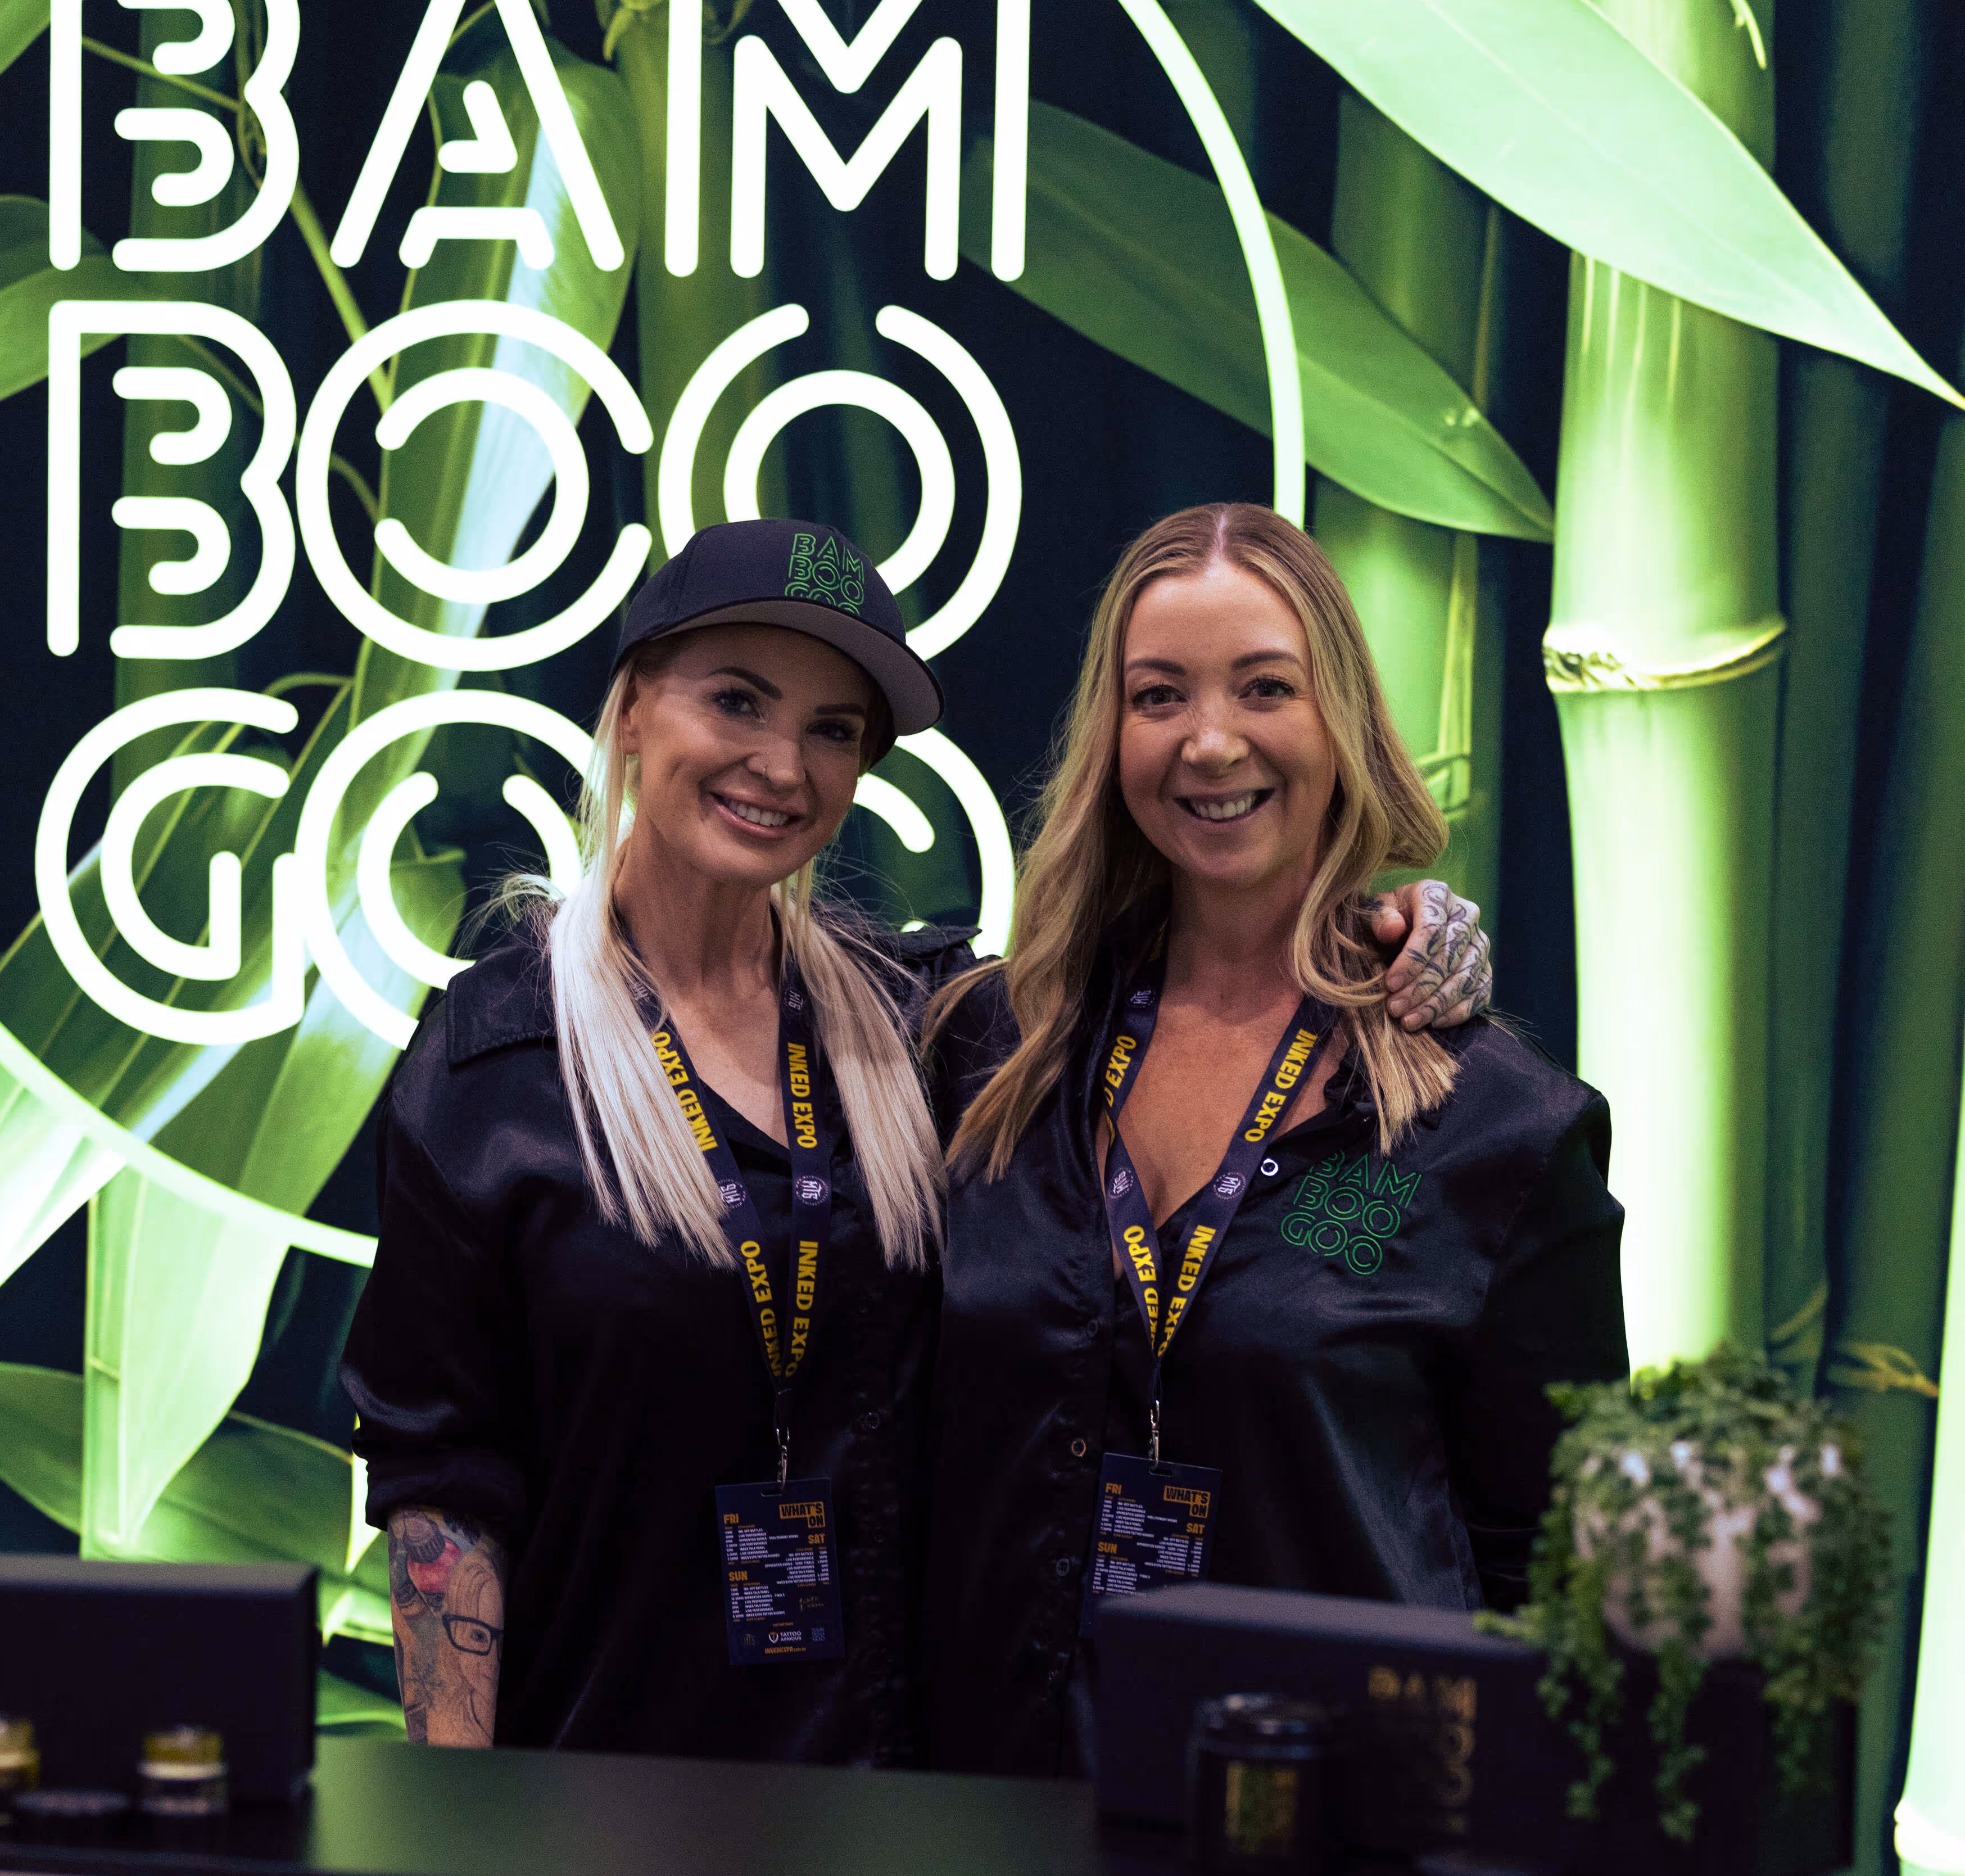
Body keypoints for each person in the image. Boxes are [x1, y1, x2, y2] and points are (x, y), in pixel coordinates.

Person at [344, 513, 1487, 1761]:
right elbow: (442, 1486)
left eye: (833, 731)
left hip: (908, 1799)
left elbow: (1213, 958)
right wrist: (446, 1835)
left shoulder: (926, 1031)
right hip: (604, 1789)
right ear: (630, 707)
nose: (780, 765)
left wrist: (1396, 921)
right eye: (736, 700)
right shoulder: (492, 1066)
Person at [921, 501, 1627, 1781]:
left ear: (1339, 719)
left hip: (1333, 1852)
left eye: (1264, 687)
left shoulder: (1494, 1126)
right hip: (990, 1829)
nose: (1208, 741)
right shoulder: (987, 1054)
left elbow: (1557, 1568)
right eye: (1157, 695)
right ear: (1108, 735)